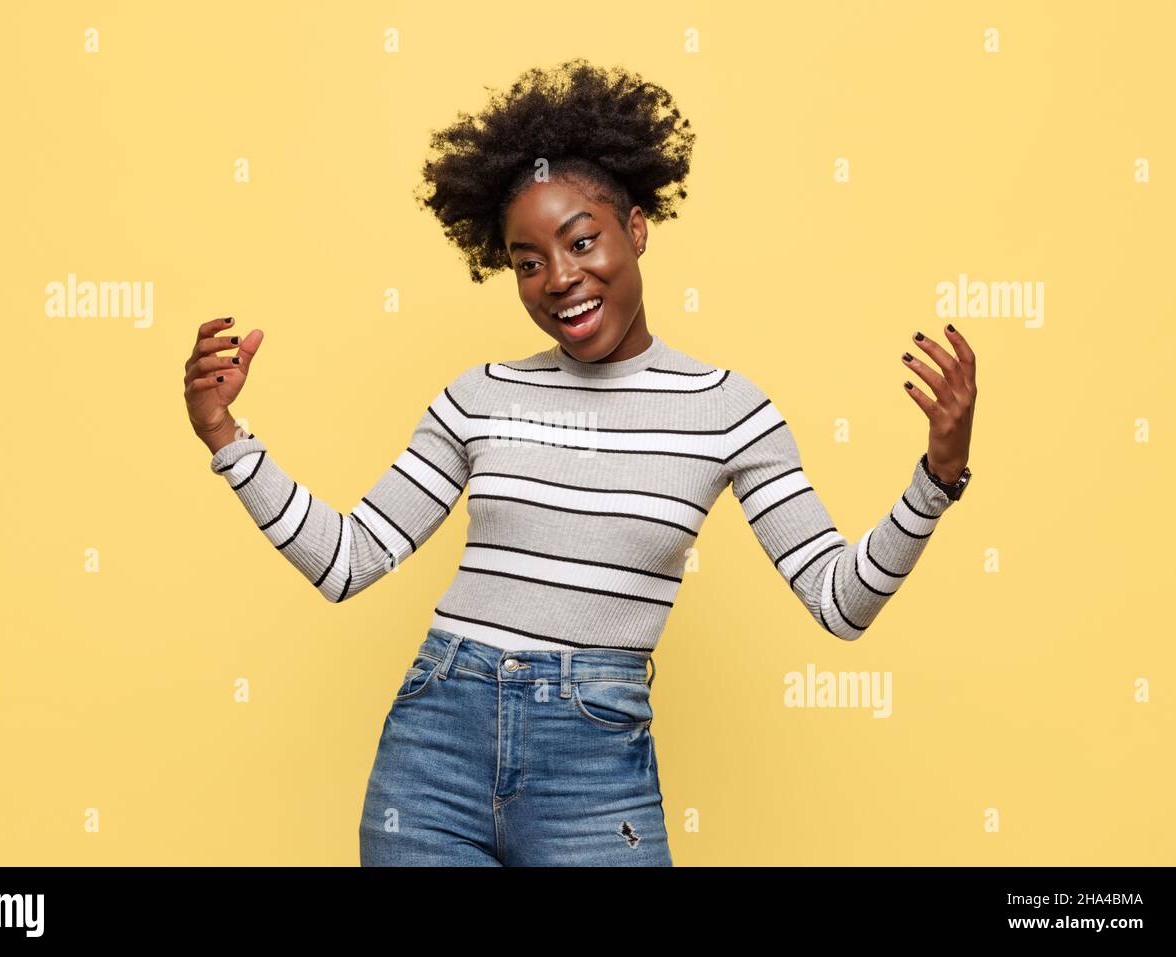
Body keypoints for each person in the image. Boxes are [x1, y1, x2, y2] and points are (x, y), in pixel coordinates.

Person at [181, 59, 977, 866]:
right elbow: (349, 560)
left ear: (635, 228)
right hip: (433, 753)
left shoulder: (730, 411)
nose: (560, 279)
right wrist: (226, 439)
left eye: (581, 241)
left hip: (596, 769)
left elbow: (839, 601)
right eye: (528, 261)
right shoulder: (478, 396)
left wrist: (935, 479)